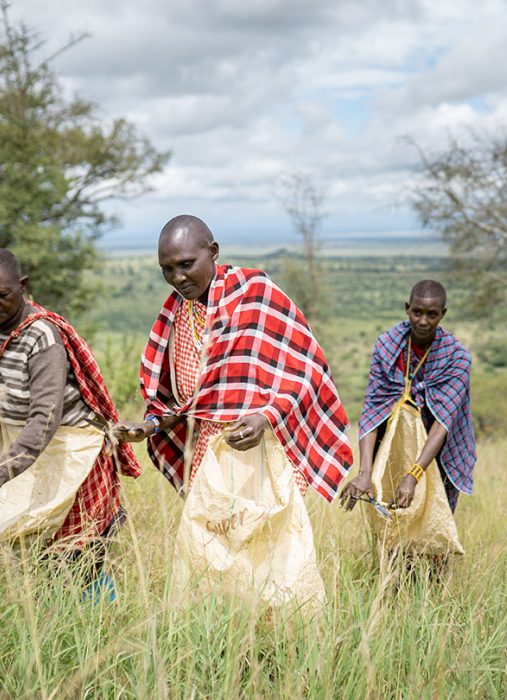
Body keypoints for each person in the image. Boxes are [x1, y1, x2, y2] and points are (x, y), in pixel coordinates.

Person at [114, 215, 352, 610]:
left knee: (275, 562)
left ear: (214, 252)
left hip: (261, 454)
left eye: (186, 264)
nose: (176, 277)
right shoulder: (176, 312)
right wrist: (151, 424)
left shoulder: (255, 293)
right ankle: (224, 654)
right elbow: (182, 400)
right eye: (166, 270)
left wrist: (266, 415)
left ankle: (285, 654)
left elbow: (305, 368)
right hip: (208, 455)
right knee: (210, 562)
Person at [0, 248, 141, 595]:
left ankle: (102, 627)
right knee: (30, 555)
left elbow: (44, 420)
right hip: (22, 449)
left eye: (1, 294)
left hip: (71, 450)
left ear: (22, 286)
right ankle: (50, 629)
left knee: (78, 555)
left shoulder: (42, 337)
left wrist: (2, 473)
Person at [340, 280, 474, 553]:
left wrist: (413, 476)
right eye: (417, 312)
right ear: (407, 309)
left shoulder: (456, 357)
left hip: (440, 453)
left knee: (434, 528)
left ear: (443, 315)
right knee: (393, 528)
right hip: (393, 444)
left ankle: (433, 590)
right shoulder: (388, 345)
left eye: (432, 314)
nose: (423, 321)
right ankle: (394, 585)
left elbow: (443, 423)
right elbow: (372, 411)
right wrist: (365, 473)